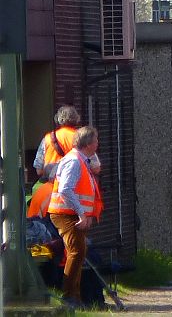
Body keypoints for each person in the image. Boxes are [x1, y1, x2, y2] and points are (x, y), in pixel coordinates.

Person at [47, 126, 102, 309]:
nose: (97, 143)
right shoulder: (74, 161)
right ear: (87, 143)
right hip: (65, 214)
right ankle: (70, 296)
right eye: (95, 140)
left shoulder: (80, 159)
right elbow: (65, 189)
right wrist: (81, 213)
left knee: (78, 251)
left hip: (70, 214)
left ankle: (74, 296)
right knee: (77, 251)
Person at [33, 106, 100, 181]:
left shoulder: (47, 138)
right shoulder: (81, 137)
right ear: (77, 118)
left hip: (52, 185)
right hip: (76, 185)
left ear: (57, 119)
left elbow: (39, 170)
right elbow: (96, 168)